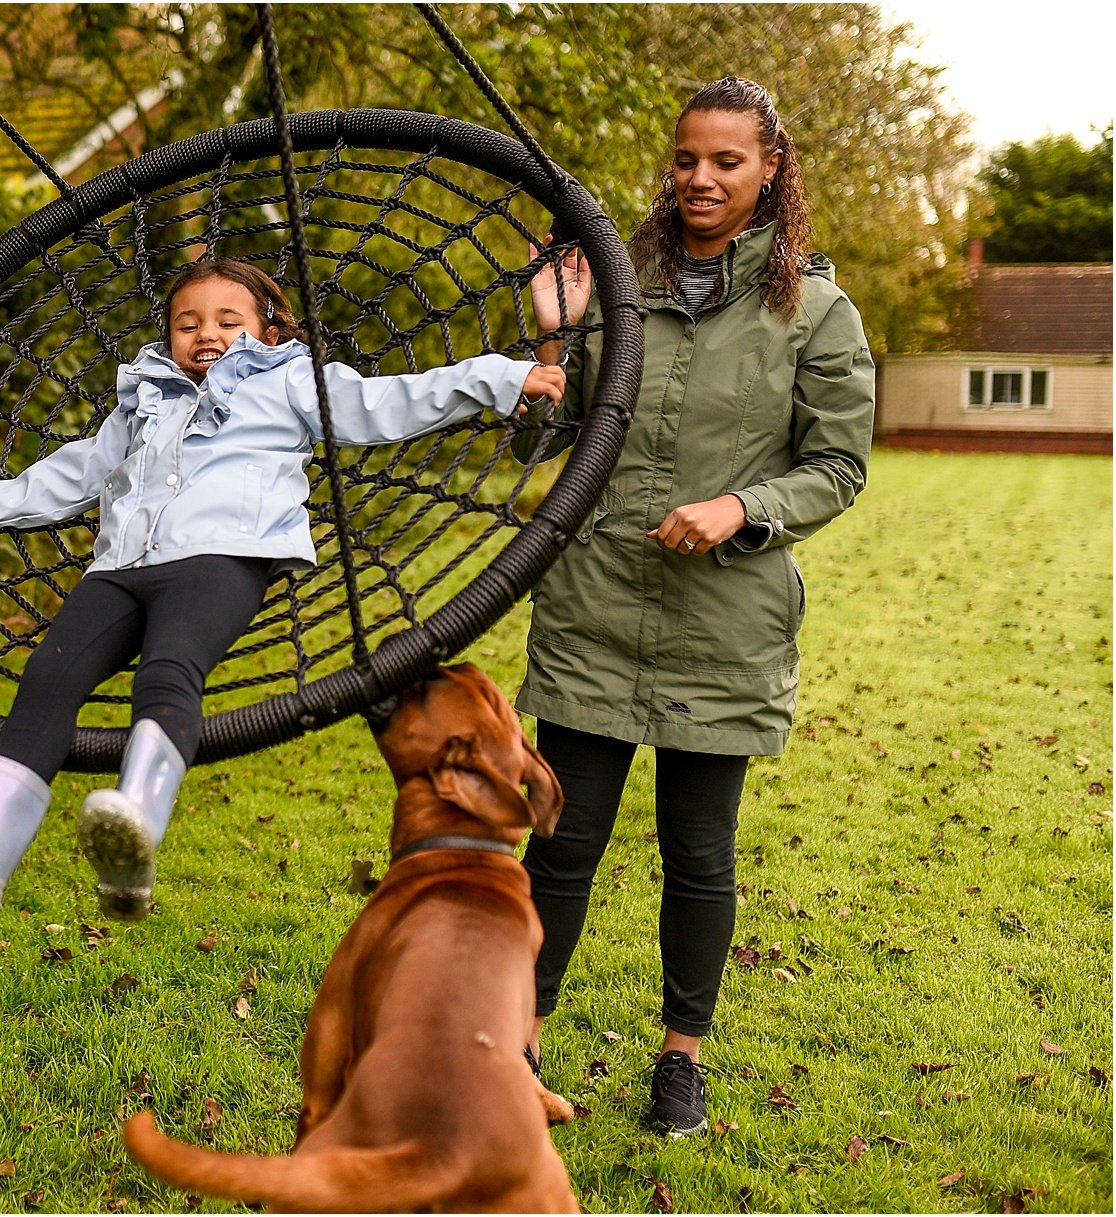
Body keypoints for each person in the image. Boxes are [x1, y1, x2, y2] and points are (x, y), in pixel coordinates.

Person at [0, 256, 566, 938]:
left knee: (169, 669)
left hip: (225, 555)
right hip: (121, 565)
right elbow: (68, 477)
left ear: (270, 330)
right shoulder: (143, 399)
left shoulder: (290, 380)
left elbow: (389, 403)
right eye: (188, 322)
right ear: (168, 335)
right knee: (46, 679)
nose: (208, 334)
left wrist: (503, 378)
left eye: (229, 319)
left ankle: (135, 824)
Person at [515, 76, 875, 1136]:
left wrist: (739, 505)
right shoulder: (616, 289)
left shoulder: (812, 309)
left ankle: (680, 1056)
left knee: (698, 851)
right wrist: (549, 339)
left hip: (724, 620)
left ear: (770, 170)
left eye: (726, 161)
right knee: (559, 844)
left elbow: (838, 465)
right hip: (594, 606)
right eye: (685, 159)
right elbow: (542, 438)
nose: (701, 179)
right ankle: (516, 1044)